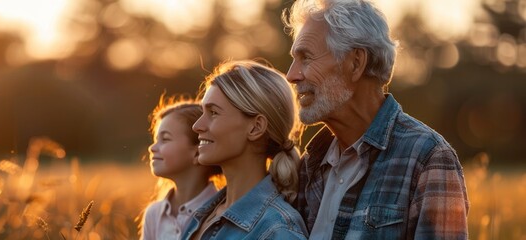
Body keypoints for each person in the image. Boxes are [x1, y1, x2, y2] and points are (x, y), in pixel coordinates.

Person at [283, 0, 469, 239]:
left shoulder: (428, 159)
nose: (291, 75)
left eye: (305, 58)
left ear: (356, 63)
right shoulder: (309, 166)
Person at [180, 60, 307, 239]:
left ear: (256, 127)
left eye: (213, 113)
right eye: (202, 112)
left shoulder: (278, 231)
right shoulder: (200, 216)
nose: (197, 126)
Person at [141, 95, 224, 240]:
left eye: (165, 139)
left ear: (198, 151)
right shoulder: (154, 214)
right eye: (155, 140)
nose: (152, 148)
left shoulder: (221, 213)